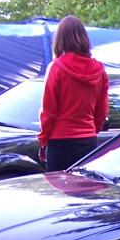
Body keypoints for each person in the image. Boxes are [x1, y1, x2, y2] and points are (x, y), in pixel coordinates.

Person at [38, 15, 109, 171]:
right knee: (85, 186)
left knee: (57, 186)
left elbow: (48, 111)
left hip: (60, 143)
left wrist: (43, 140)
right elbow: (102, 111)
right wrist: (91, 130)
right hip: (88, 141)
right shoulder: (100, 71)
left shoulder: (56, 68)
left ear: (60, 40)